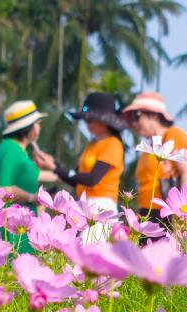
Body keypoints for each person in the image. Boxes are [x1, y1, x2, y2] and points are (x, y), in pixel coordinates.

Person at [36, 92, 126, 243]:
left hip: (101, 207)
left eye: (90, 120)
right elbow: (76, 178)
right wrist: (54, 166)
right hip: (84, 204)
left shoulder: (113, 144)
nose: (87, 124)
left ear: (104, 120)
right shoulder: (92, 145)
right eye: (85, 120)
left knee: (89, 250)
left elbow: (92, 180)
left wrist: (57, 169)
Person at [0, 100, 60, 253]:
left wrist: (61, 171)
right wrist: (32, 198)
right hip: (10, 229)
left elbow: (44, 175)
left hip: (20, 227)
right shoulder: (11, 149)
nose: (40, 128)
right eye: (38, 124)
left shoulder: (19, 150)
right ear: (29, 127)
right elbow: (4, 189)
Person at [122, 92, 187, 220]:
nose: (133, 123)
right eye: (131, 119)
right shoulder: (148, 147)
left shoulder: (174, 134)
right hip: (147, 212)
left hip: (169, 213)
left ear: (154, 116)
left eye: (136, 116)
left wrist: (183, 216)